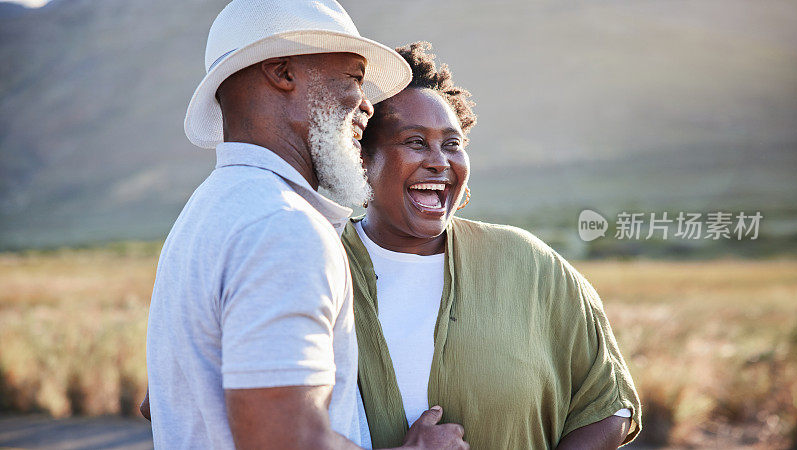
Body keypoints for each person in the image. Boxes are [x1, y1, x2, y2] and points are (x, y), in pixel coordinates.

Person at [145, 1, 468, 448]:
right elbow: (281, 437)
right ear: (283, 73)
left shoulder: (206, 214)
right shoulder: (283, 227)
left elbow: (160, 402)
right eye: (355, 78)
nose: (368, 106)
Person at [342, 42, 642, 449]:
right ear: (362, 157)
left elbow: (608, 404)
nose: (439, 161)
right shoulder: (321, 263)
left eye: (452, 144)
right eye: (415, 142)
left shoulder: (528, 264)